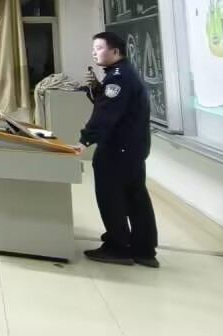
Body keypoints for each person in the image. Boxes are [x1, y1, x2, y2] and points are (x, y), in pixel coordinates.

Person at [74, 32, 159, 268]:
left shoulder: (118, 79)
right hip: (132, 148)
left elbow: (106, 113)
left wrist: (85, 140)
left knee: (111, 197)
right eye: (94, 48)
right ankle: (144, 250)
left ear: (115, 51)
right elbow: (113, 105)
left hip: (117, 149)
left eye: (99, 48)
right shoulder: (123, 74)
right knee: (135, 198)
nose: (94, 53)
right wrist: (96, 88)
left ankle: (117, 247)